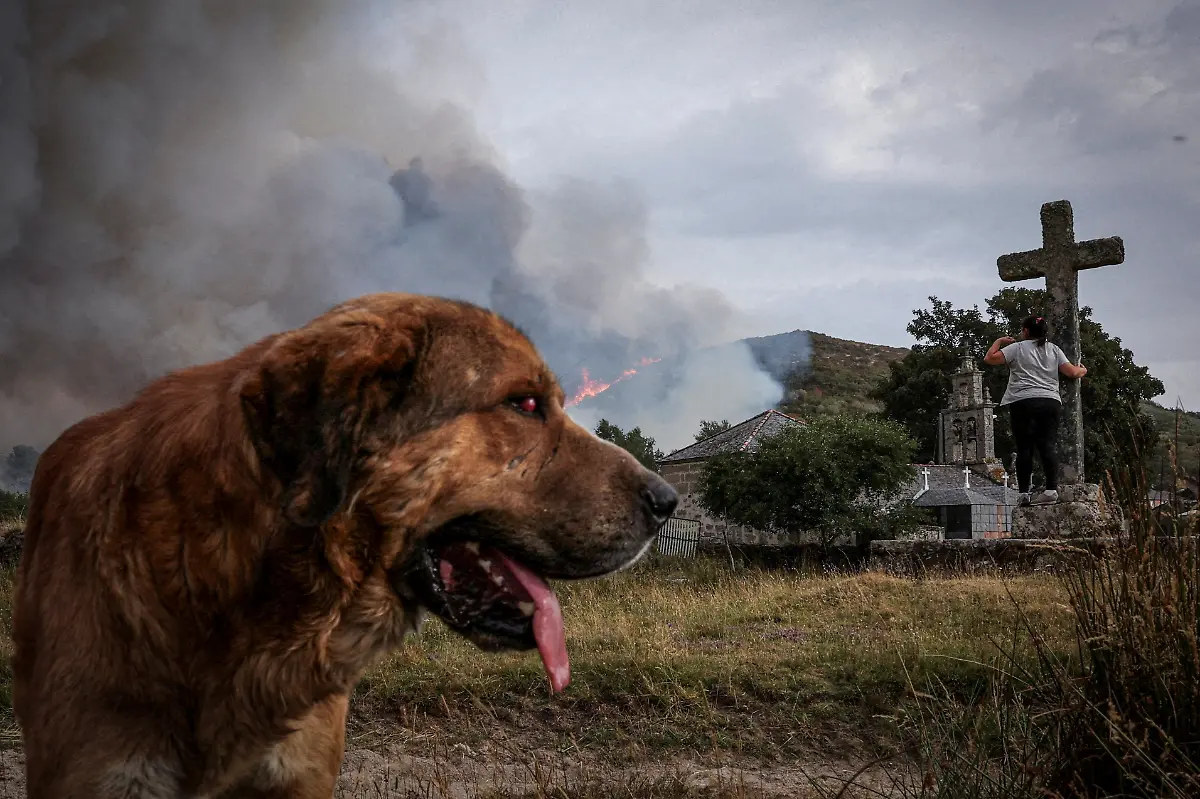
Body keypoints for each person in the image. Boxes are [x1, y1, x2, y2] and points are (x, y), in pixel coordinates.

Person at [983, 316, 1087, 505]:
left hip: (1022, 401)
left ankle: (1024, 493)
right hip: (1049, 401)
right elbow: (1072, 372)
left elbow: (990, 358)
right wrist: (1083, 370)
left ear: (1026, 331)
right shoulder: (1053, 349)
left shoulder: (1018, 348)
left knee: (1025, 448)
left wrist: (998, 341)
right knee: (1047, 445)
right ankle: (1051, 490)